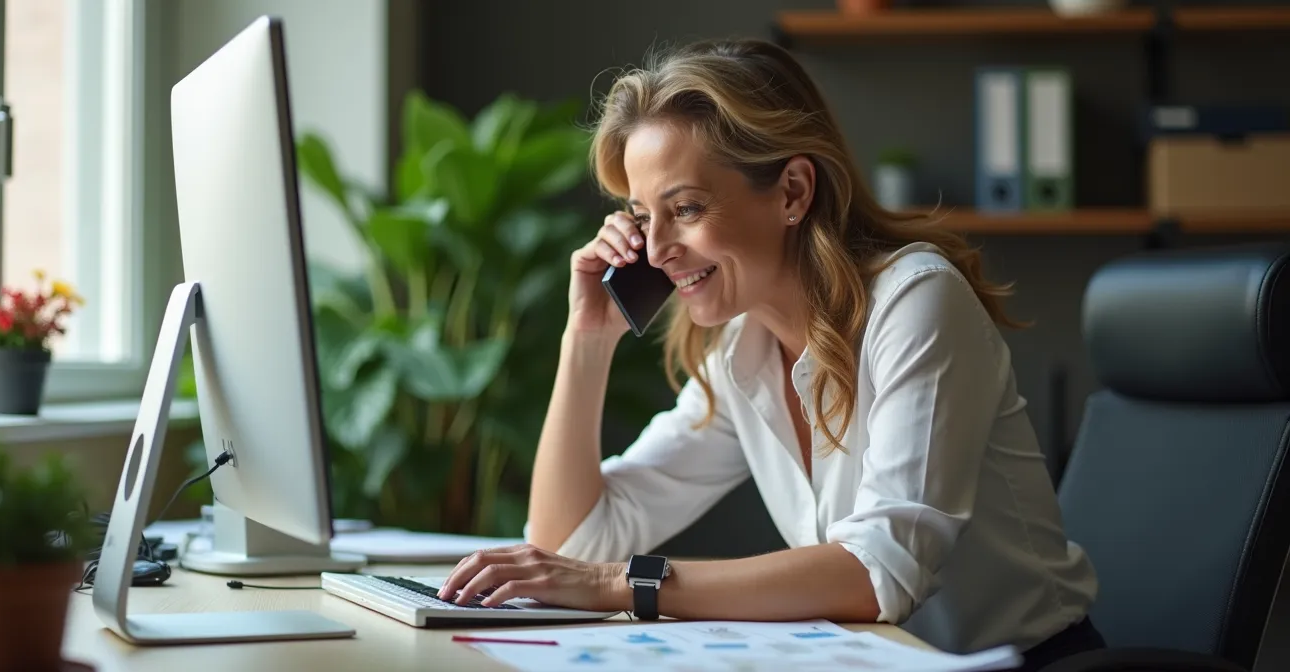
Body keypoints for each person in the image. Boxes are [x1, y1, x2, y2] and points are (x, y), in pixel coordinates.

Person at [437, 38, 1103, 668]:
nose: (657, 249)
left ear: (792, 192)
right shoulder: (742, 352)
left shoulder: (918, 302)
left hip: (1025, 664)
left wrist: (623, 584)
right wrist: (587, 339)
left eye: (687, 207)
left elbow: (879, 572)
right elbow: (570, 545)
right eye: (642, 217)